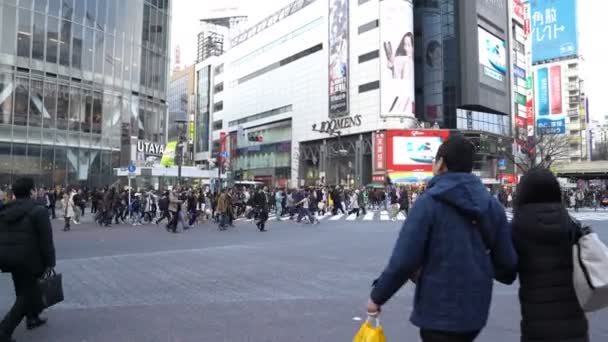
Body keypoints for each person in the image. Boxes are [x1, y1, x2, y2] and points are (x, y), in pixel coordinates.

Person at [366, 134, 517, 342]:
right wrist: (477, 265)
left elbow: (403, 260)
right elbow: (508, 266)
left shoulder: (428, 203)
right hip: (475, 312)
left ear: (441, 163)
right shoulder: (492, 206)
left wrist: (377, 297)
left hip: (436, 311)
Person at [511, 168, 589, 342]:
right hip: (574, 322)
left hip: (536, 324)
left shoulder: (517, 226)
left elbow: (506, 270)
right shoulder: (571, 223)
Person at [0, 177, 56, 342]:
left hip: (8, 258)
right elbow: (46, 240)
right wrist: (50, 262)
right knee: (28, 295)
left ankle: (32, 318)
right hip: (30, 259)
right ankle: (4, 330)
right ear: (31, 191)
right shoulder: (38, 210)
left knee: (22, 289)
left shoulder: (5, 210)